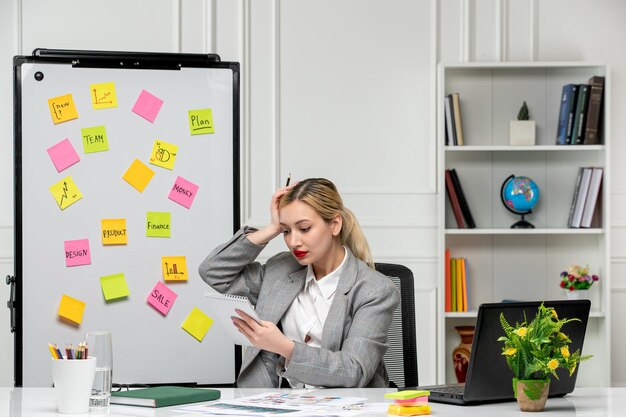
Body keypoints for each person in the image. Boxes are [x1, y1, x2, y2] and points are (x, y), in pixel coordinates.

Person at [198, 178, 400, 388]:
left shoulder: (375, 290)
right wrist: (271, 228)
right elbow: (213, 271)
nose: (294, 242)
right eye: (286, 231)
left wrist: (285, 347)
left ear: (335, 224)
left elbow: (353, 370)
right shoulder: (280, 270)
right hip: (273, 404)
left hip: (343, 406)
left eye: (304, 228)